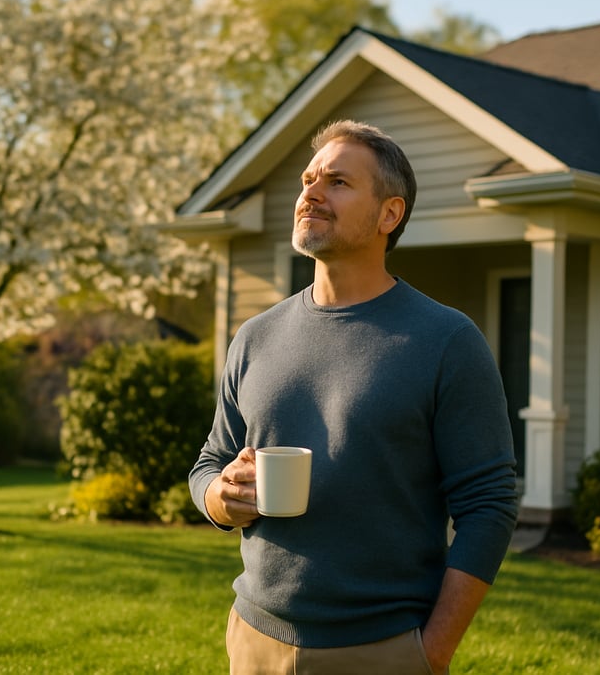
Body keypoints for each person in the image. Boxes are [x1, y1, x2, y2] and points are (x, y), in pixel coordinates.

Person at [189, 119, 518, 674]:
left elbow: (489, 504)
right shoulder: (255, 336)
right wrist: (221, 498)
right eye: (308, 179)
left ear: (389, 214)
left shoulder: (446, 340)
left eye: (337, 182)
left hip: (381, 649)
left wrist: (430, 652)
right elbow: (208, 463)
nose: (310, 193)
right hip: (253, 638)